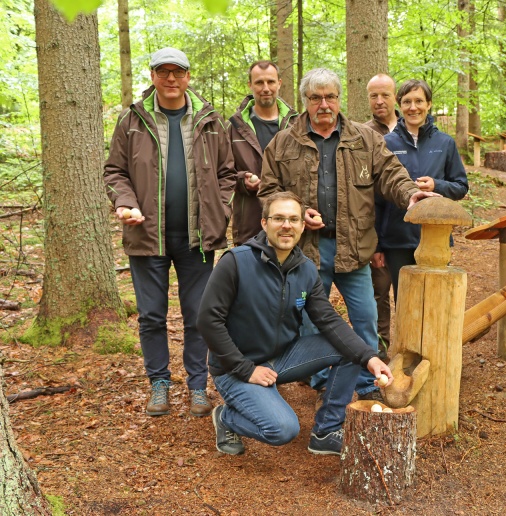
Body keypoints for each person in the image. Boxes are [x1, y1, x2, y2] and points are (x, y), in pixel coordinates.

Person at [258, 68, 438, 402]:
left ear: (339, 99)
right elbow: (268, 190)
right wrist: (298, 212)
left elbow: (392, 174)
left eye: (330, 97)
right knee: (311, 320)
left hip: (354, 248)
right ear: (305, 101)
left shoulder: (364, 139)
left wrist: (410, 194)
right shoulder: (283, 142)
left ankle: (369, 383)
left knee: (366, 317)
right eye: (316, 98)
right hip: (306, 252)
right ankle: (322, 381)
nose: (324, 105)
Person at [197, 192, 393, 456]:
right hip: (236, 368)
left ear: (303, 225)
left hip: (282, 358)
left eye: (293, 219)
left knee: (351, 351)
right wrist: (246, 369)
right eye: (278, 218)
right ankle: (225, 417)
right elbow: (208, 321)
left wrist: (369, 357)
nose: (286, 225)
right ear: (264, 223)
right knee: (282, 430)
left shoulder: (305, 269)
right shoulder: (236, 262)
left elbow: (328, 319)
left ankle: (326, 431)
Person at [103, 47, 236, 418]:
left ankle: (197, 386)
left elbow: (227, 174)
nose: (171, 79)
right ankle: (159, 383)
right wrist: (124, 203)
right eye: (164, 72)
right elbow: (114, 171)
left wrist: (221, 212)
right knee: (150, 316)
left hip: (198, 238)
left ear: (188, 76)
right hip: (147, 236)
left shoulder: (210, 120)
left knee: (198, 315)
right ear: (153, 76)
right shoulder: (132, 120)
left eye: (178, 72)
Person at [378, 79, 469, 295]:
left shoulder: (445, 143)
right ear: (399, 105)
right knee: (405, 299)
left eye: (419, 101)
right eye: (407, 102)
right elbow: (377, 196)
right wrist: (377, 245)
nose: (413, 107)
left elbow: (460, 186)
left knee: (436, 296)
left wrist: (437, 185)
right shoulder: (386, 143)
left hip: (436, 236)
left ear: (429, 104)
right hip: (397, 238)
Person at [227, 61, 298, 245]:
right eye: (259, 82)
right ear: (250, 85)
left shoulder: (297, 126)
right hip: (250, 223)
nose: (265, 88)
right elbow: (222, 173)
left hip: (290, 225)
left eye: (270, 82)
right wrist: (242, 180)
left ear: (279, 83)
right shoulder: (234, 128)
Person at [364, 73, 400, 353]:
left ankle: (412, 349)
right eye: (373, 96)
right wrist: (374, 243)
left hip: (408, 232)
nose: (379, 101)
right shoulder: (362, 134)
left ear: (394, 96)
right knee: (379, 294)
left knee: (411, 295)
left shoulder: (410, 130)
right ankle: (380, 352)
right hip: (377, 230)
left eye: (385, 95)